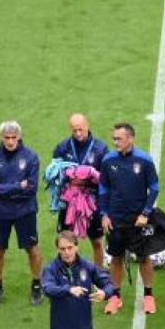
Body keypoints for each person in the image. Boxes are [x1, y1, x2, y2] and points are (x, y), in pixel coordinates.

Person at [99, 122, 161, 315]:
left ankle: (149, 296)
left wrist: (145, 213)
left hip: (138, 221)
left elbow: (154, 187)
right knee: (115, 257)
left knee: (143, 257)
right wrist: (104, 214)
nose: (115, 142)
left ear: (130, 139)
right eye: (114, 138)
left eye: (119, 138)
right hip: (116, 220)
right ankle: (115, 296)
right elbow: (103, 189)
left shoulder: (144, 160)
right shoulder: (108, 160)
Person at [0, 120, 43, 307]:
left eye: (13, 137)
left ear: (19, 137)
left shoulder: (31, 157)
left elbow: (31, 188)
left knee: (32, 248)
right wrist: (18, 186)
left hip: (25, 211)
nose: (10, 141)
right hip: (0, 213)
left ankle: (36, 284)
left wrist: (4, 188)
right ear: (1, 137)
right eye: (6, 137)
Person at [52, 113, 110, 267]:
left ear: (87, 126)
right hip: (69, 203)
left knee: (97, 241)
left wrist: (87, 179)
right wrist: (67, 177)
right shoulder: (62, 147)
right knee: (66, 241)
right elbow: (54, 173)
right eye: (74, 130)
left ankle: (98, 275)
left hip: (92, 202)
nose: (78, 134)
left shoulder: (101, 148)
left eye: (81, 129)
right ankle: (70, 275)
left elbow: (106, 177)